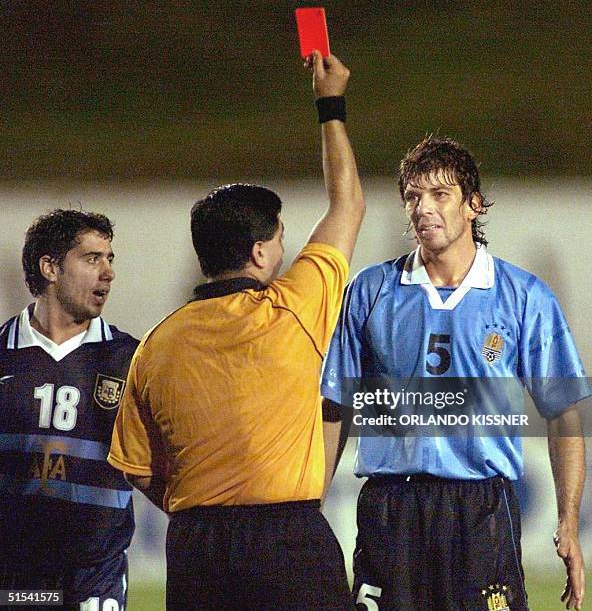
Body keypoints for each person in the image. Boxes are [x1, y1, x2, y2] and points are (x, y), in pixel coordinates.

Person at [108, 50, 365, 610]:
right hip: (288, 540)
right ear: (258, 253)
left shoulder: (157, 344)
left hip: (197, 548)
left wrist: (198, 509)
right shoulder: (295, 306)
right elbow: (347, 202)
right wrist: (330, 106)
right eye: (278, 238)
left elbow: (136, 467)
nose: (283, 247)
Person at [321, 136, 589, 611]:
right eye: (413, 197)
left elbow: (563, 412)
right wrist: (313, 502)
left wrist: (568, 520)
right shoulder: (370, 291)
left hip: (481, 511)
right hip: (391, 511)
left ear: (473, 206)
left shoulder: (523, 296)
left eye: (440, 195)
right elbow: (334, 406)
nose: (424, 208)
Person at [0, 209, 138, 610]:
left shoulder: (131, 360)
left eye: (110, 259)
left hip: (96, 574)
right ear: (50, 268)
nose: (108, 272)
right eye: (92, 258)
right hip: (16, 576)